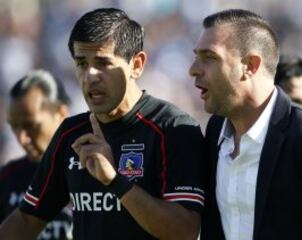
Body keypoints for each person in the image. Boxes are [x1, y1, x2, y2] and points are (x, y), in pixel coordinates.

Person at [0, 8, 204, 240]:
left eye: (102, 62)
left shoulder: (173, 128)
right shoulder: (71, 133)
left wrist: (115, 180)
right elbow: (27, 219)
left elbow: (185, 231)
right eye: (81, 63)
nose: (90, 76)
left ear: (136, 64)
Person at [189, 9, 302, 240]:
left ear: (250, 65)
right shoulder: (216, 130)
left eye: (209, 57)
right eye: (196, 56)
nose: (193, 70)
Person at [0, 69, 73, 239]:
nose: (21, 138)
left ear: (62, 114)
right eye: (14, 127)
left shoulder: (90, 170)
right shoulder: (7, 178)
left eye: (31, 125)